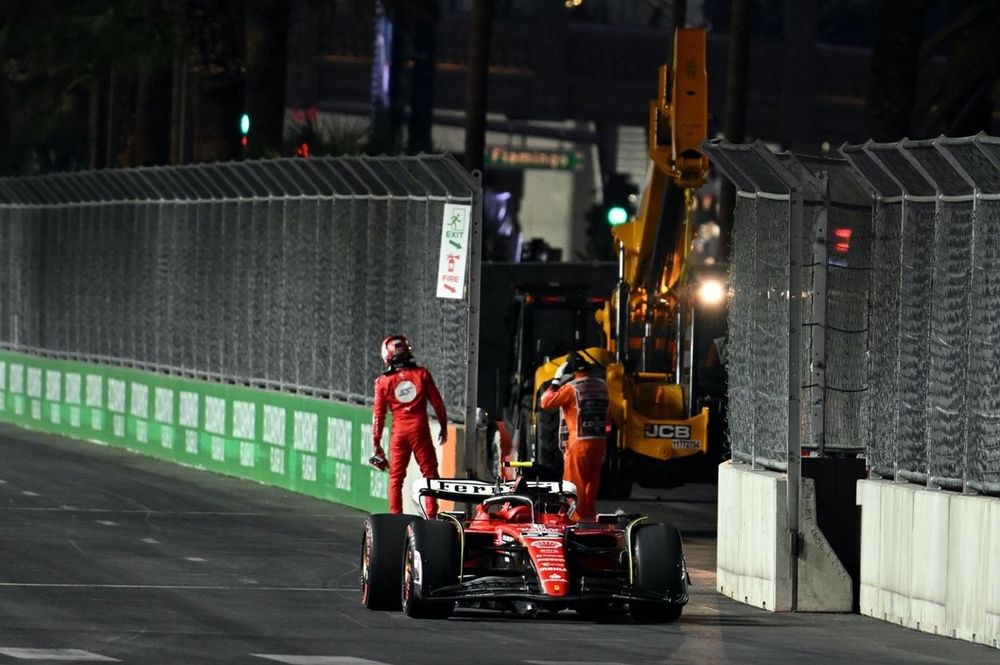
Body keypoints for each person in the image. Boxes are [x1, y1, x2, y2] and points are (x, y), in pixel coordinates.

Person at [370, 335, 448, 518]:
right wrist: (443, 425)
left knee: (396, 477)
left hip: (399, 432)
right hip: (420, 429)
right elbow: (437, 403)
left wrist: (376, 443)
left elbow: (378, 416)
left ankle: (395, 517)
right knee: (429, 474)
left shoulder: (383, 382)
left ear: (387, 356)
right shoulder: (422, 374)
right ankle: (431, 516)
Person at [539, 351, 609, 521]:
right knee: (591, 484)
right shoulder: (602, 386)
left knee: (573, 485)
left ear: (570, 372)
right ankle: (588, 518)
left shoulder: (572, 388)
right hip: (599, 442)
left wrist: (556, 381)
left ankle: (574, 520)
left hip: (578, 443)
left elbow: (546, 402)